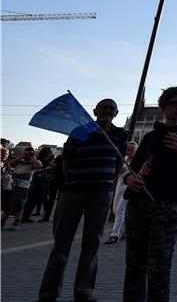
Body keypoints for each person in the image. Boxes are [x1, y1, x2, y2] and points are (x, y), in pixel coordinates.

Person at [38, 99, 128, 302]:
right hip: (73, 192)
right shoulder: (79, 131)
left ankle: (84, 292)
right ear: (95, 111)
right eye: (103, 107)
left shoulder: (120, 134)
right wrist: (72, 182)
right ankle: (48, 294)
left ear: (116, 113)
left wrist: (108, 184)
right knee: (61, 245)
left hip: (101, 193)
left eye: (111, 108)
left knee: (92, 244)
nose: (107, 111)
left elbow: (119, 160)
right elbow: (66, 160)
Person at [123, 86, 177, 302]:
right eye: (174, 103)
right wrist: (128, 179)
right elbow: (134, 167)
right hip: (139, 203)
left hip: (169, 204)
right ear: (164, 105)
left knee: (160, 265)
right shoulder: (151, 135)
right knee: (134, 264)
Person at [3, 145, 42, 230]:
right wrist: (21, 156)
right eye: (27, 152)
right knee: (7, 205)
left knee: (18, 206)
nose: (29, 154)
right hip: (11, 185)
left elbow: (39, 166)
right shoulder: (19, 160)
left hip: (22, 187)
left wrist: (33, 158)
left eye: (31, 152)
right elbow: (10, 164)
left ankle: (16, 223)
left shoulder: (34, 162)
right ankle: (2, 222)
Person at [106, 142, 138, 244]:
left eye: (131, 150)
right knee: (115, 210)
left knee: (120, 210)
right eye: (127, 149)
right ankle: (128, 229)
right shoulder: (123, 159)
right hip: (119, 186)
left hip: (127, 188)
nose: (129, 151)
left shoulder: (136, 162)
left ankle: (114, 235)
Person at [22, 146, 54, 222]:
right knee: (32, 200)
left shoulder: (47, 160)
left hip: (41, 183)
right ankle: (25, 216)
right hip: (36, 182)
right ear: (46, 152)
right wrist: (46, 169)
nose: (51, 153)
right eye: (50, 152)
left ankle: (27, 216)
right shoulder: (39, 160)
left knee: (35, 200)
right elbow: (35, 171)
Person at [1, 148, 12, 223]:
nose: (5, 155)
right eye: (3, 153)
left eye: (6, 154)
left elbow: (9, 173)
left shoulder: (6, 164)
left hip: (4, 186)